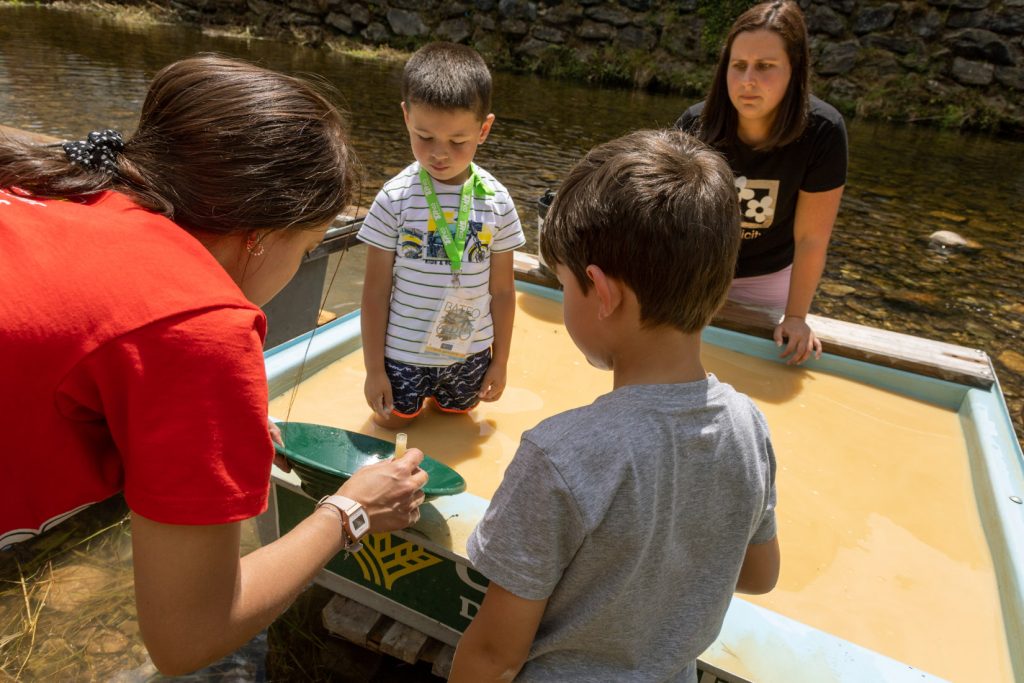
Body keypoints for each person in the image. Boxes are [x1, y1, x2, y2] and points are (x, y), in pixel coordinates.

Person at [0, 54, 427, 675]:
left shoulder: (52, 184)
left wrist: (195, 443)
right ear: (260, 236)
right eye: (308, 247)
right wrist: (350, 511)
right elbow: (188, 637)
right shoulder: (201, 326)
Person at [448, 129, 780, 682]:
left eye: (563, 286)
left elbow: (493, 657)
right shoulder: (750, 427)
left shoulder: (560, 456)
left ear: (601, 293)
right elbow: (759, 572)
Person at [358, 42, 525, 429]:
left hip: (469, 353)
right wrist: (373, 369)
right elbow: (375, 292)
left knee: (456, 422)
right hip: (402, 354)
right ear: (406, 117)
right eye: (424, 136)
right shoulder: (394, 198)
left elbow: (502, 291)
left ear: (484, 129)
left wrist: (500, 360)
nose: (439, 154)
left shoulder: (497, 201)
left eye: (457, 141)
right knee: (391, 425)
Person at [676, 0, 847, 366]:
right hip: (696, 274)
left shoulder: (824, 132)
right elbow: (666, 222)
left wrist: (797, 317)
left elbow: (811, 238)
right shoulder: (694, 125)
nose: (748, 80)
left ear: (794, 71)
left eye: (765, 67)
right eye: (738, 66)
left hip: (767, 281)